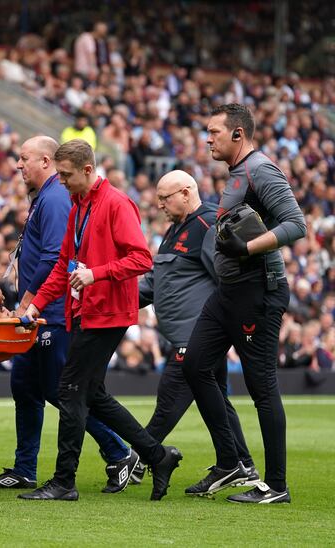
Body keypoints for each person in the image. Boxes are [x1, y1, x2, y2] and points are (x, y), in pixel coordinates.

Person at [20, 139, 182, 502]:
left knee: (70, 390)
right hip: (85, 310)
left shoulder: (116, 203)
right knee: (90, 394)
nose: (61, 182)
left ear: (88, 170)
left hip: (106, 313)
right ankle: (157, 456)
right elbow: (63, 263)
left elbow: (142, 259)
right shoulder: (79, 205)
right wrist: (37, 304)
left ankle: (64, 481)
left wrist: (97, 274)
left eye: (66, 175)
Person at [0, 136, 135, 495]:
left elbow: (54, 258)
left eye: (23, 158)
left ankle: (119, 451)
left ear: (46, 161)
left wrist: (27, 303)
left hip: (50, 313)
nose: (18, 165)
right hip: (39, 310)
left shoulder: (55, 197)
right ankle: (24, 468)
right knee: (24, 387)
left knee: (60, 390)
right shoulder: (47, 197)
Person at [182, 104, 306, 504]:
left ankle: (277, 485)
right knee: (197, 363)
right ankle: (232, 461)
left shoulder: (260, 169)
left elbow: (296, 223)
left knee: (261, 385)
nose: (207, 138)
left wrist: (249, 245)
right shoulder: (237, 174)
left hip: (258, 290)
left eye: (214, 131)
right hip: (230, 291)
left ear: (238, 134)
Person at [130, 170, 258, 485]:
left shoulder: (208, 224)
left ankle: (133, 461)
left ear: (186, 193)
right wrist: (111, 299)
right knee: (215, 402)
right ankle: (241, 465)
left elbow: (227, 281)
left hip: (198, 336)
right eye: (158, 198)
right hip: (188, 334)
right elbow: (156, 284)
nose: (159, 204)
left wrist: (229, 331)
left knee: (170, 399)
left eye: (165, 197)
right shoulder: (176, 229)